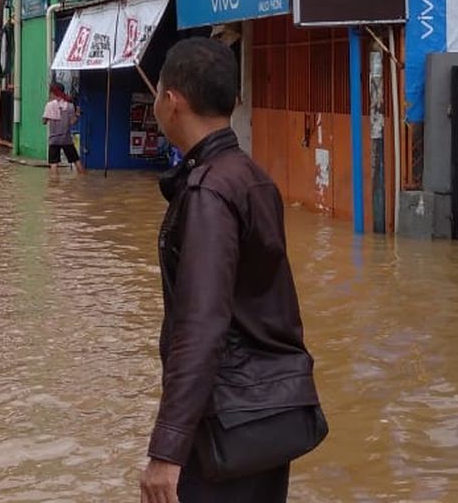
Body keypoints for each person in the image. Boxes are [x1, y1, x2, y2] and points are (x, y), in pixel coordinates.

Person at [139, 38, 325, 503]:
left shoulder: (208, 192)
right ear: (234, 101)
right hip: (267, 417)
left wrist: (167, 449)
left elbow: (201, 325)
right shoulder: (251, 177)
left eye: (158, 93)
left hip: (224, 425)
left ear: (172, 101)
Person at [42, 82, 84, 175]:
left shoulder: (50, 105)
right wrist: (77, 114)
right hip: (66, 139)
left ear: (53, 92)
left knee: (54, 164)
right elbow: (72, 122)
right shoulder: (69, 106)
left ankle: (54, 184)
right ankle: (82, 179)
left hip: (54, 140)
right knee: (76, 160)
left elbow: (44, 122)